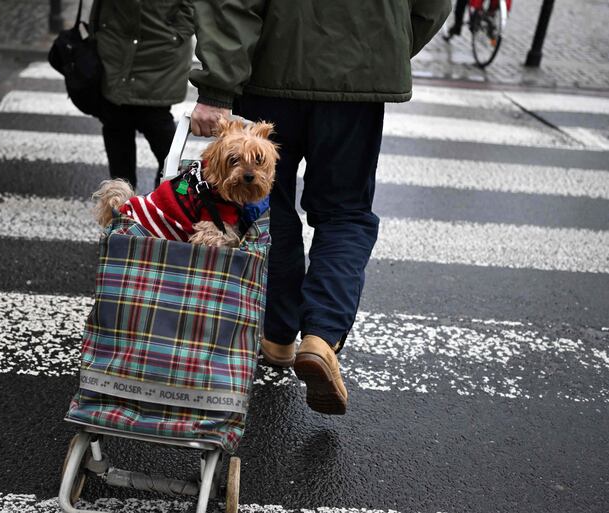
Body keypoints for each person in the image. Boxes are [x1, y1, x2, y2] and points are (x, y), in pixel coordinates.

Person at [189, 0, 450, 414]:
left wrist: (217, 86)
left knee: (265, 204)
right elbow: (432, 6)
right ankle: (321, 337)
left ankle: (275, 334)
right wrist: (384, 48)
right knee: (344, 212)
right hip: (360, 72)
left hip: (272, 64)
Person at [89, 0, 194, 190]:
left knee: (158, 128)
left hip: (160, 47)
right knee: (116, 124)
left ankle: (163, 201)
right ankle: (121, 207)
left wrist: (178, 32)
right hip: (116, 44)